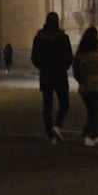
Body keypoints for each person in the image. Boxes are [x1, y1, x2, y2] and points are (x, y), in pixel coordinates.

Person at [31, 11, 74, 144]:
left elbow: (34, 57)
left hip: (46, 75)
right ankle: (57, 125)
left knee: (47, 106)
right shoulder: (63, 38)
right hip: (60, 74)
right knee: (64, 103)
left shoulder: (39, 38)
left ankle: (50, 136)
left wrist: (43, 67)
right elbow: (69, 56)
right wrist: (63, 66)